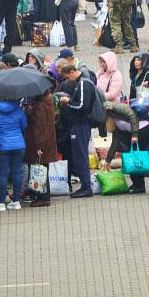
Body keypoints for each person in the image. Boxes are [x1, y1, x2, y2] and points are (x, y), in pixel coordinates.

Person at [58, 61, 102, 197]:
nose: (67, 81)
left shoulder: (83, 83)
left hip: (81, 124)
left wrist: (68, 101)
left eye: (67, 77)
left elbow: (83, 107)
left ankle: (86, 187)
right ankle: (85, 185)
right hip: (79, 124)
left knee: (81, 155)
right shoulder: (81, 83)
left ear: (72, 72)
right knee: (78, 155)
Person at [102, 101, 149, 193]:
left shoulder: (116, 107)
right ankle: (137, 184)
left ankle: (139, 187)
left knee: (135, 157)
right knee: (133, 156)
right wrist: (108, 161)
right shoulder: (116, 126)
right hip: (141, 129)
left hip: (145, 128)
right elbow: (114, 144)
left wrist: (135, 135)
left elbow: (132, 116)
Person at [0, 97, 29, 211]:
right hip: (19, 145)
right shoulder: (19, 110)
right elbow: (24, 126)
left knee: (3, 174)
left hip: (3, 146)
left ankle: (1, 203)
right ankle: (16, 201)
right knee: (16, 172)